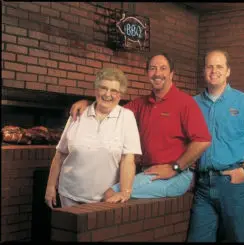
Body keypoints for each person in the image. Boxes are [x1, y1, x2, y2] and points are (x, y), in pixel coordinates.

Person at [70, 53, 211, 201]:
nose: (157, 73)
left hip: (176, 175)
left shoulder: (185, 102)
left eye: (163, 68)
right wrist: (87, 103)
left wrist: (174, 168)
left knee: (110, 194)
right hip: (148, 173)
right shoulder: (140, 103)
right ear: (148, 73)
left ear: (171, 74)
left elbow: (203, 141)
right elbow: (111, 108)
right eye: (152, 68)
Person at [187, 49, 244, 242]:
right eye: (209, 66)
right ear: (203, 71)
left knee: (240, 238)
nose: (214, 70)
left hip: (235, 185)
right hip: (203, 187)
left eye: (219, 66)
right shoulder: (192, 104)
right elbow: (187, 142)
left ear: (228, 71)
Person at [44, 68, 142, 208]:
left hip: (105, 199)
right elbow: (60, 154)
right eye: (103, 88)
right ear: (96, 90)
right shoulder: (78, 114)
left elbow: (128, 159)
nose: (108, 94)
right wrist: (50, 186)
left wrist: (125, 192)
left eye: (113, 90)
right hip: (69, 194)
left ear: (120, 95)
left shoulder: (126, 117)